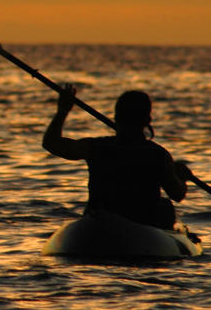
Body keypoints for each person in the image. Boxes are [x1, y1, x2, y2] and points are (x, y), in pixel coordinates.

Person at [42, 84, 191, 229]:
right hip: (142, 224)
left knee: (165, 207)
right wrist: (182, 178)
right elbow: (177, 194)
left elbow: (51, 143)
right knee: (165, 206)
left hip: (102, 221)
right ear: (147, 121)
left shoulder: (96, 147)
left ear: (116, 118)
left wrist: (63, 110)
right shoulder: (158, 154)